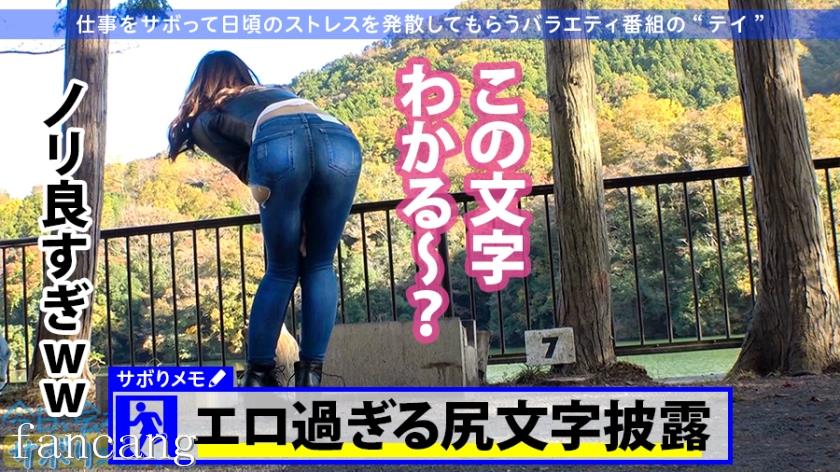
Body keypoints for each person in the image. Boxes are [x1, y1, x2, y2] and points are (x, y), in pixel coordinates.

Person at [168, 51, 362, 387]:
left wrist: (290, 211)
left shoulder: (206, 117)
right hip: (340, 140)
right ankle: (311, 378)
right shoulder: (276, 91)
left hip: (278, 145)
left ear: (201, 82)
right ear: (242, 73)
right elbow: (308, 138)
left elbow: (250, 168)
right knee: (319, 264)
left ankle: (258, 376)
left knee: (282, 269)